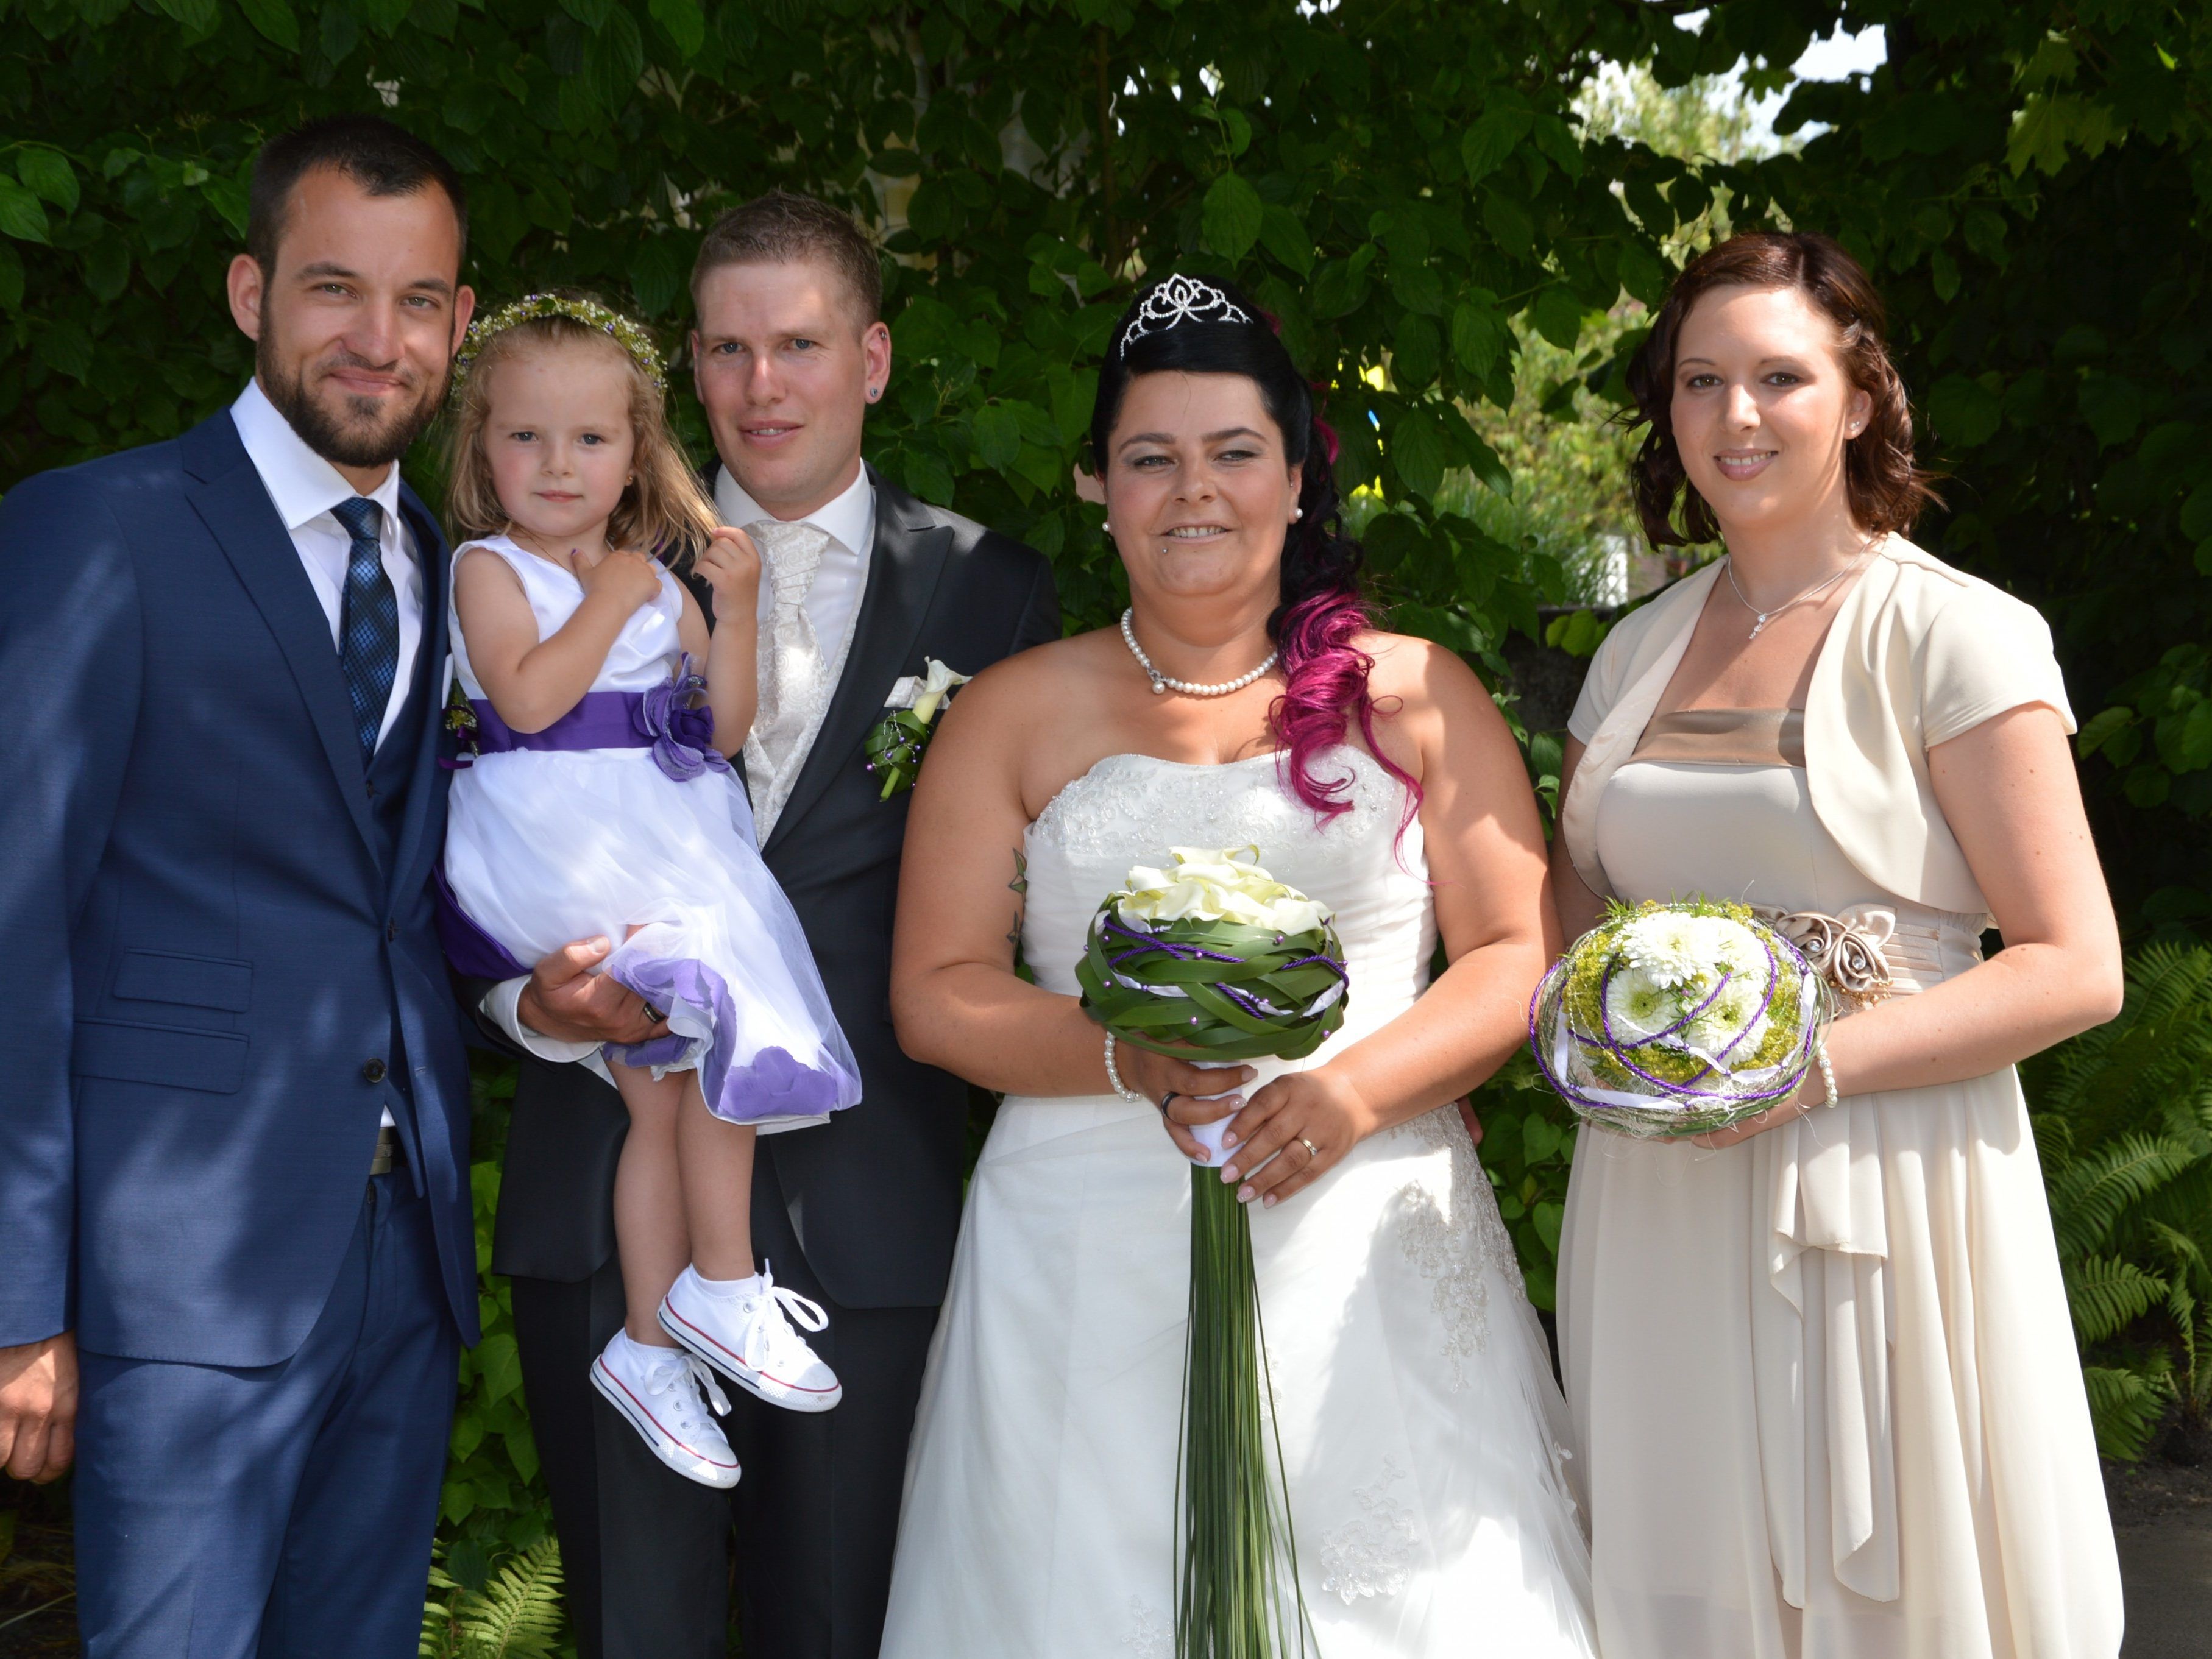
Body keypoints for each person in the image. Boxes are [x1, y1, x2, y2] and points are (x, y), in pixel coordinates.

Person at [879, 273, 1597, 1657]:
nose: (1189, 492)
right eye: (1149, 458)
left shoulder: (1414, 692)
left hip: (1360, 1219)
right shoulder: (1013, 713)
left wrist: (1350, 1095)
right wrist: (1121, 1057)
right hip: (1080, 1239)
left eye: (1231, 455)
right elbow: (938, 990)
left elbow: (1518, 950)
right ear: (1097, 483)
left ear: (1296, 472)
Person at [469, 193, 1060, 1657]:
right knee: (633, 1628)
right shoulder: (553, 564)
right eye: (729, 349)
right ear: (690, 366)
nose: (762, 384)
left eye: (798, 344)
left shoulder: (992, 587)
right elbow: (446, 821)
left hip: (870, 1211)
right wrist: (527, 1006)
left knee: (844, 1624)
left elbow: (1043, 902)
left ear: (870, 360)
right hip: (611, 1181)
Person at [1551, 232, 2124, 1657]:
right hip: (1661, 1182)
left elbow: (2075, 964)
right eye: (1699, 381)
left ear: (1860, 398)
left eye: (1778, 378)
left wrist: (1797, 1069)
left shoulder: (1959, 637)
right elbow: (1574, 904)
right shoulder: (1633, 650)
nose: (1734, 418)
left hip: (1882, 1181)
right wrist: (1625, 1031)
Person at [0, 116, 477, 1655]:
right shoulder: (101, 528)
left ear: (461, 323)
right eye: (335, 289)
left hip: (404, 1264)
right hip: (180, 1276)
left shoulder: (455, 567)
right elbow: (17, 922)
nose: (378, 339)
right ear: (247, 292)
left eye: (419, 302)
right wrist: (19, 1298)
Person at [437, 293, 865, 1488]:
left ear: (634, 451)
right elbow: (523, 698)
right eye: (526, 437)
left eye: (590, 439)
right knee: (725, 1006)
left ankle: (645, 1340)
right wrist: (622, 595)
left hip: (661, 842)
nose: (558, 464)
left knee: (669, 1097)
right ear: (482, 446)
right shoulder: (487, 567)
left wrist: (728, 613)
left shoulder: (656, 580)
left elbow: (719, 728)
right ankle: (721, 1286)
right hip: (558, 848)